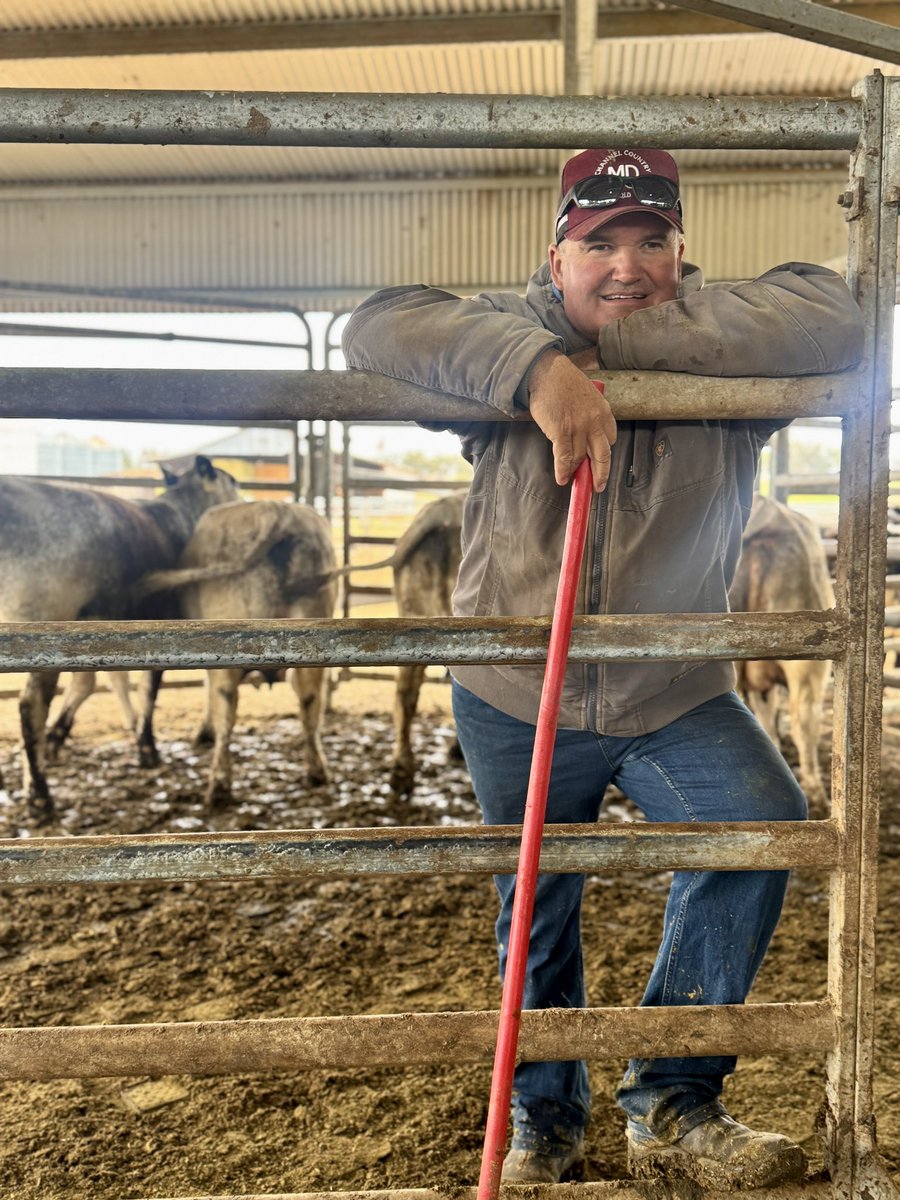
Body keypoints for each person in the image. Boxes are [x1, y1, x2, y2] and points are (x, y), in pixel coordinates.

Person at [342, 148, 864, 1188]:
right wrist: (540, 370)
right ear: (556, 257)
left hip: (673, 688)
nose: (626, 265)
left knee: (758, 828)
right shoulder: (509, 327)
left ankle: (671, 1097)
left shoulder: (732, 342)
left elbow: (835, 313)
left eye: (651, 242)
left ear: (682, 252)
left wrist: (628, 354)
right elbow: (379, 321)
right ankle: (545, 1119)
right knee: (535, 898)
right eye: (599, 245)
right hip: (515, 690)